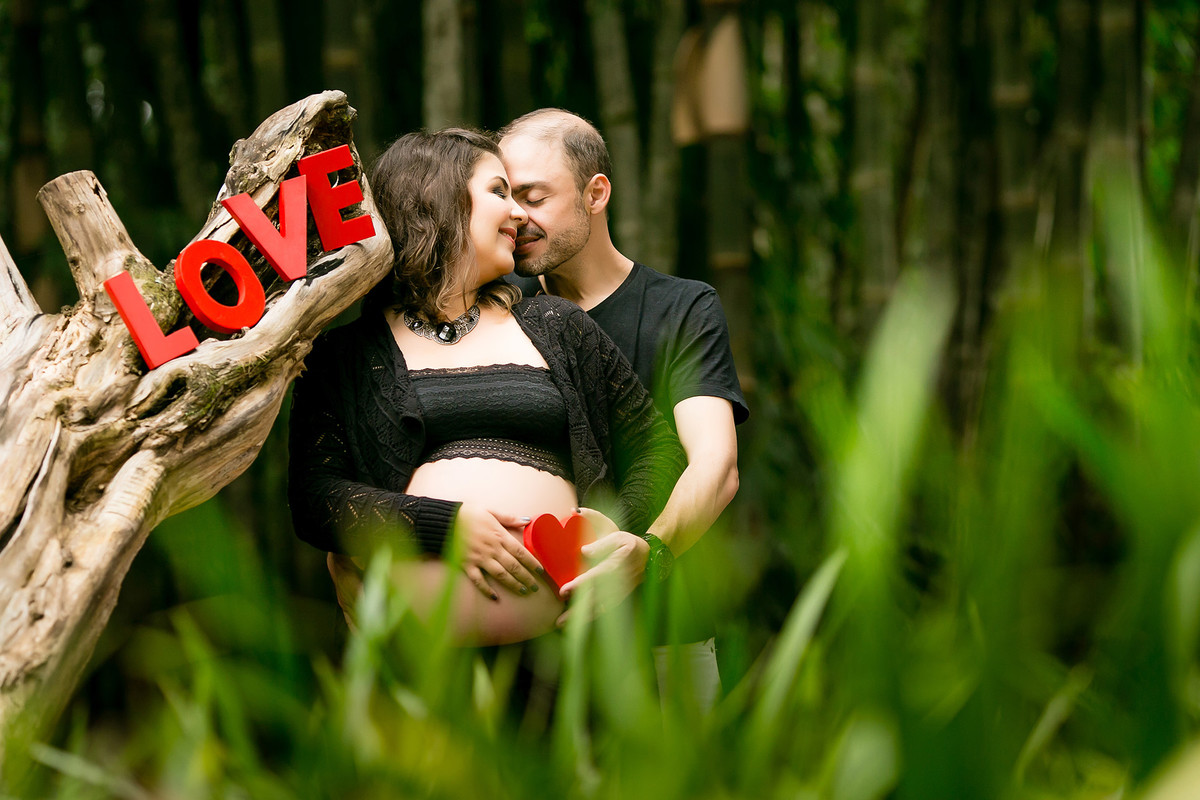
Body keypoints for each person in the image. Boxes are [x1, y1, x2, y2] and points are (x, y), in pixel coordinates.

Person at [287, 128, 685, 646]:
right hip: (414, 668)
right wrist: (441, 525)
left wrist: (611, 536)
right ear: (437, 202)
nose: (519, 214)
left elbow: (658, 449)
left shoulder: (558, 327)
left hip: (569, 659)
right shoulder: (348, 354)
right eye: (499, 192)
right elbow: (315, 499)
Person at [497, 109, 748, 706]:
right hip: (528, 647)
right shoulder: (494, 312)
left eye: (535, 196)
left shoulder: (683, 307)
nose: (516, 216)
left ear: (596, 192)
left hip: (664, 638)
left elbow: (716, 465)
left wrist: (651, 551)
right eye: (506, 197)